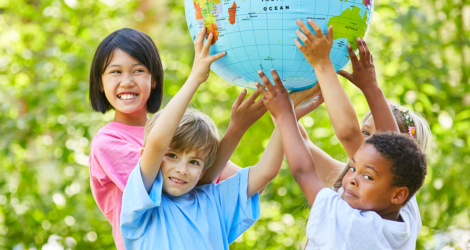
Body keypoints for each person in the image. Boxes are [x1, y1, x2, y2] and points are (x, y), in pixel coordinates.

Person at [256, 19, 428, 249]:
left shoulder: (351, 222)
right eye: (366, 133)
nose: (353, 177)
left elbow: (307, 168)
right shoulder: (404, 213)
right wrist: (371, 87)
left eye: (368, 176)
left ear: (399, 192)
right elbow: (303, 145)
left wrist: (322, 66)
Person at [88, 28, 265, 250]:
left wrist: (238, 129)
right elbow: (174, 187)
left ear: (154, 80)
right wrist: (195, 78)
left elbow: (248, 185)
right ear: (100, 83)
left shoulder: (178, 132)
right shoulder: (108, 142)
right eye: (115, 72)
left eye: (138, 70)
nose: (127, 82)